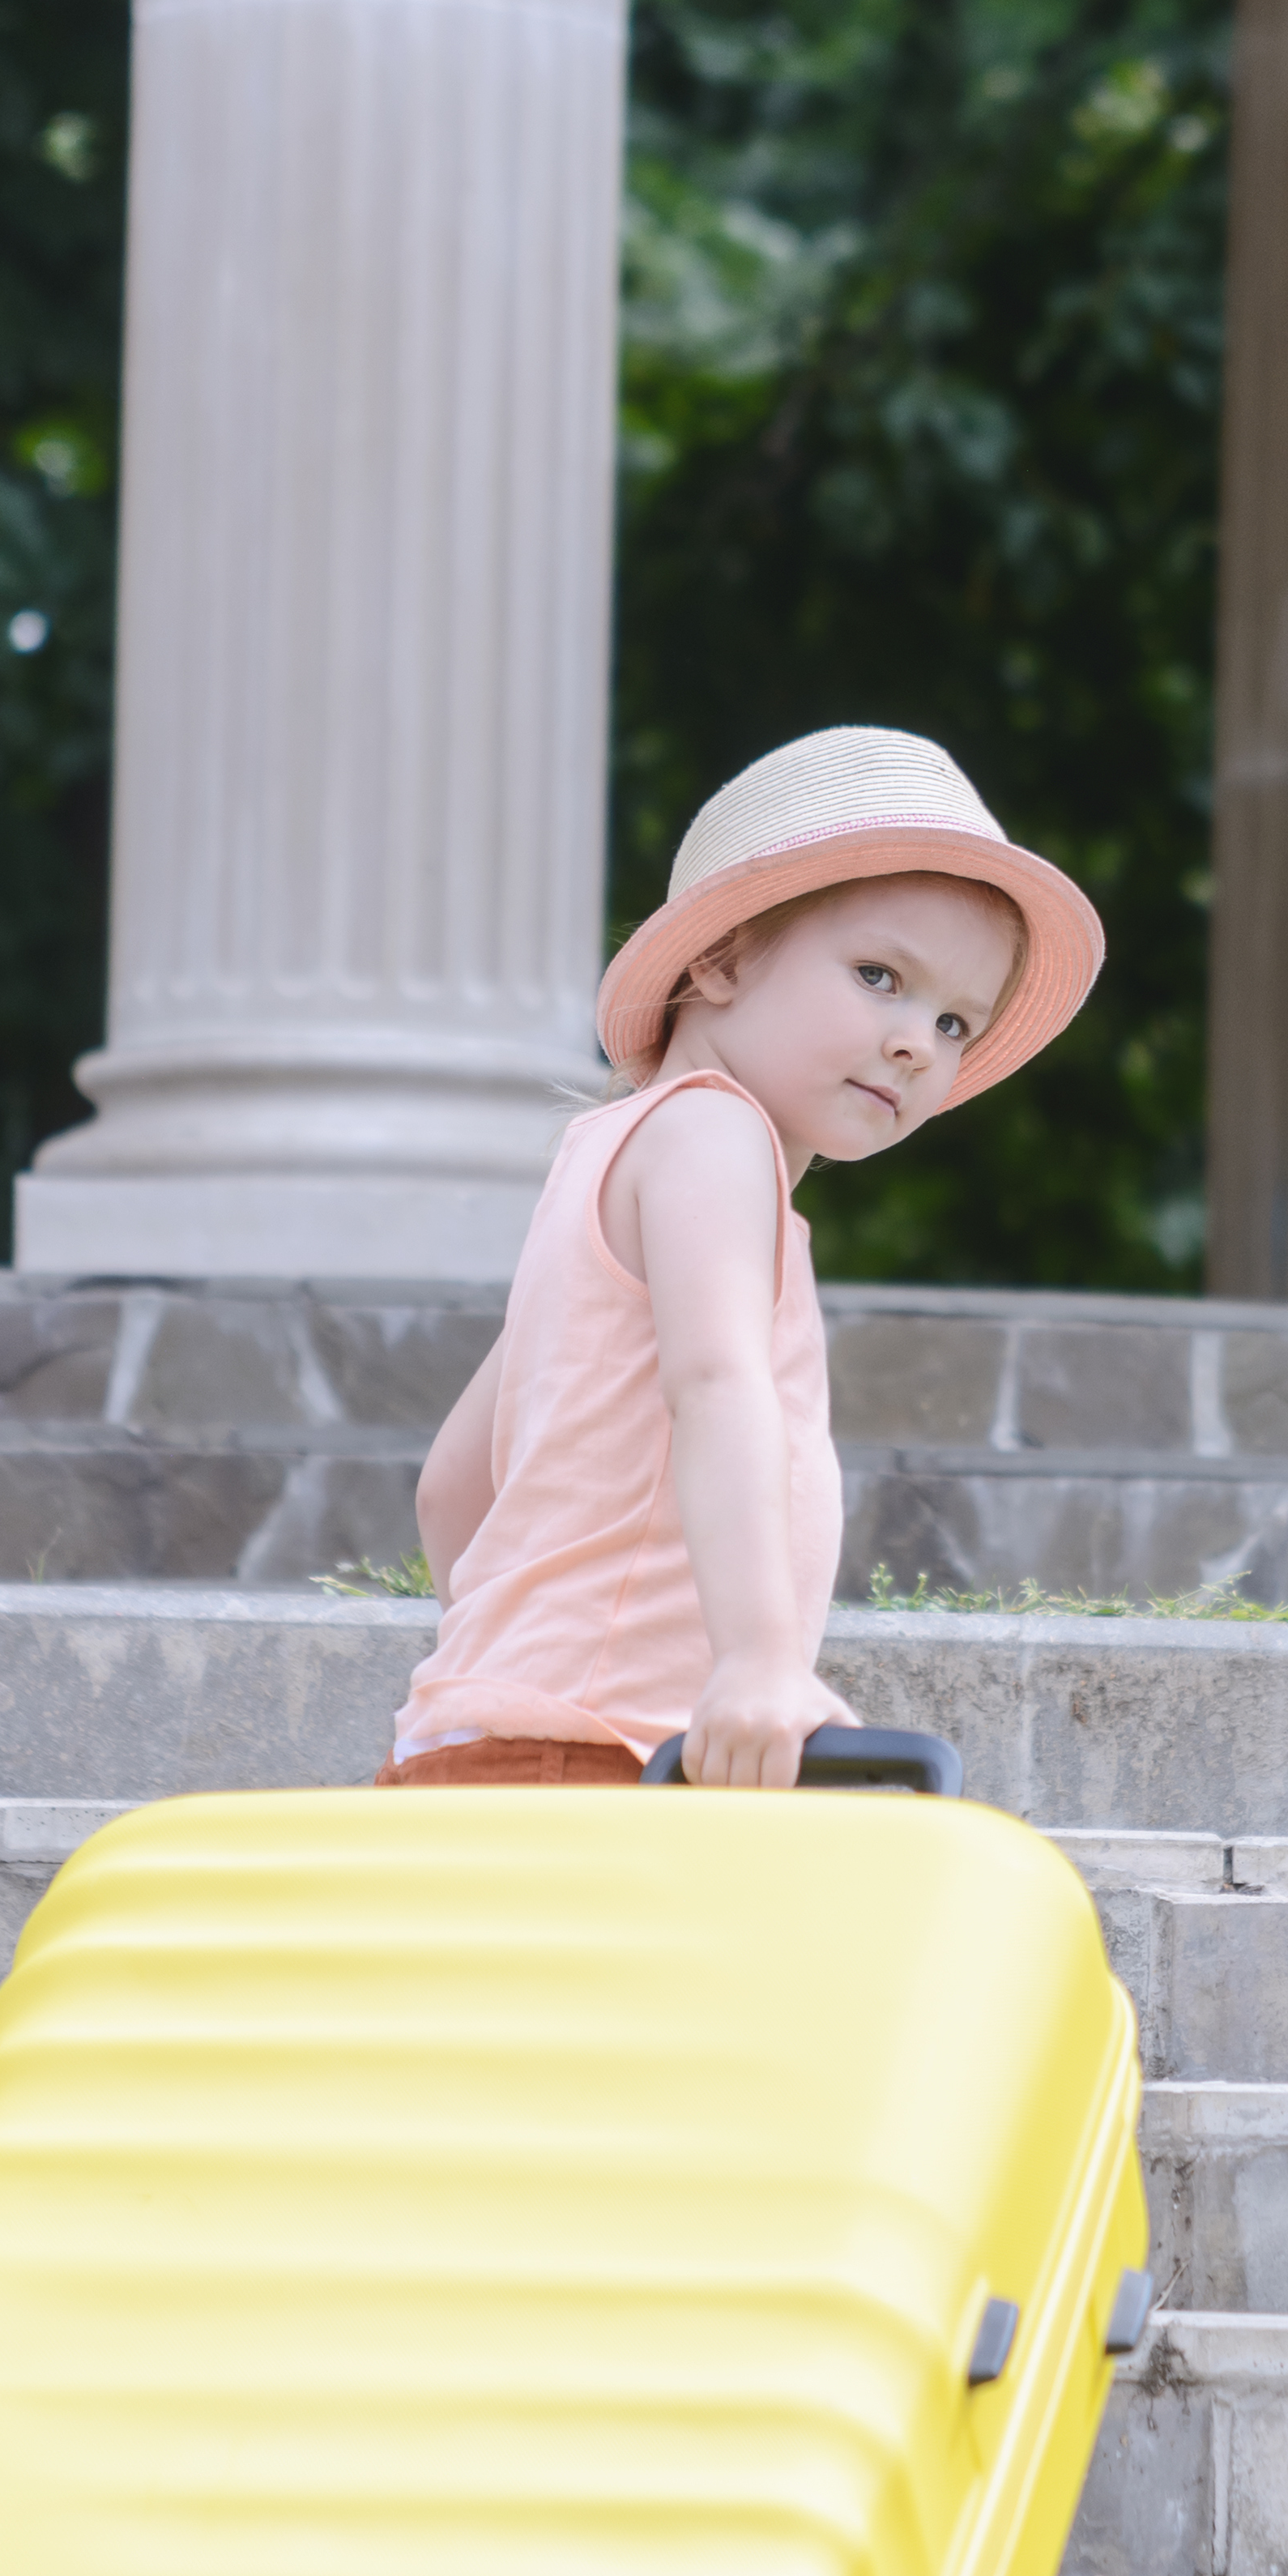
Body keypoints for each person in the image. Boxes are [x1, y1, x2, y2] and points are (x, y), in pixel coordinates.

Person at [380, 725, 1102, 1790]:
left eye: (954, 1021)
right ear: (717, 958)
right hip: (600, 1753)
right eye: (878, 975)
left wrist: (509, 1673)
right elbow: (717, 1383)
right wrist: (758, 1664)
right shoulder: (716, 1137)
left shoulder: (619, 1154)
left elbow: (451, 1485)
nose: (918, 1041)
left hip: (512, 1733)